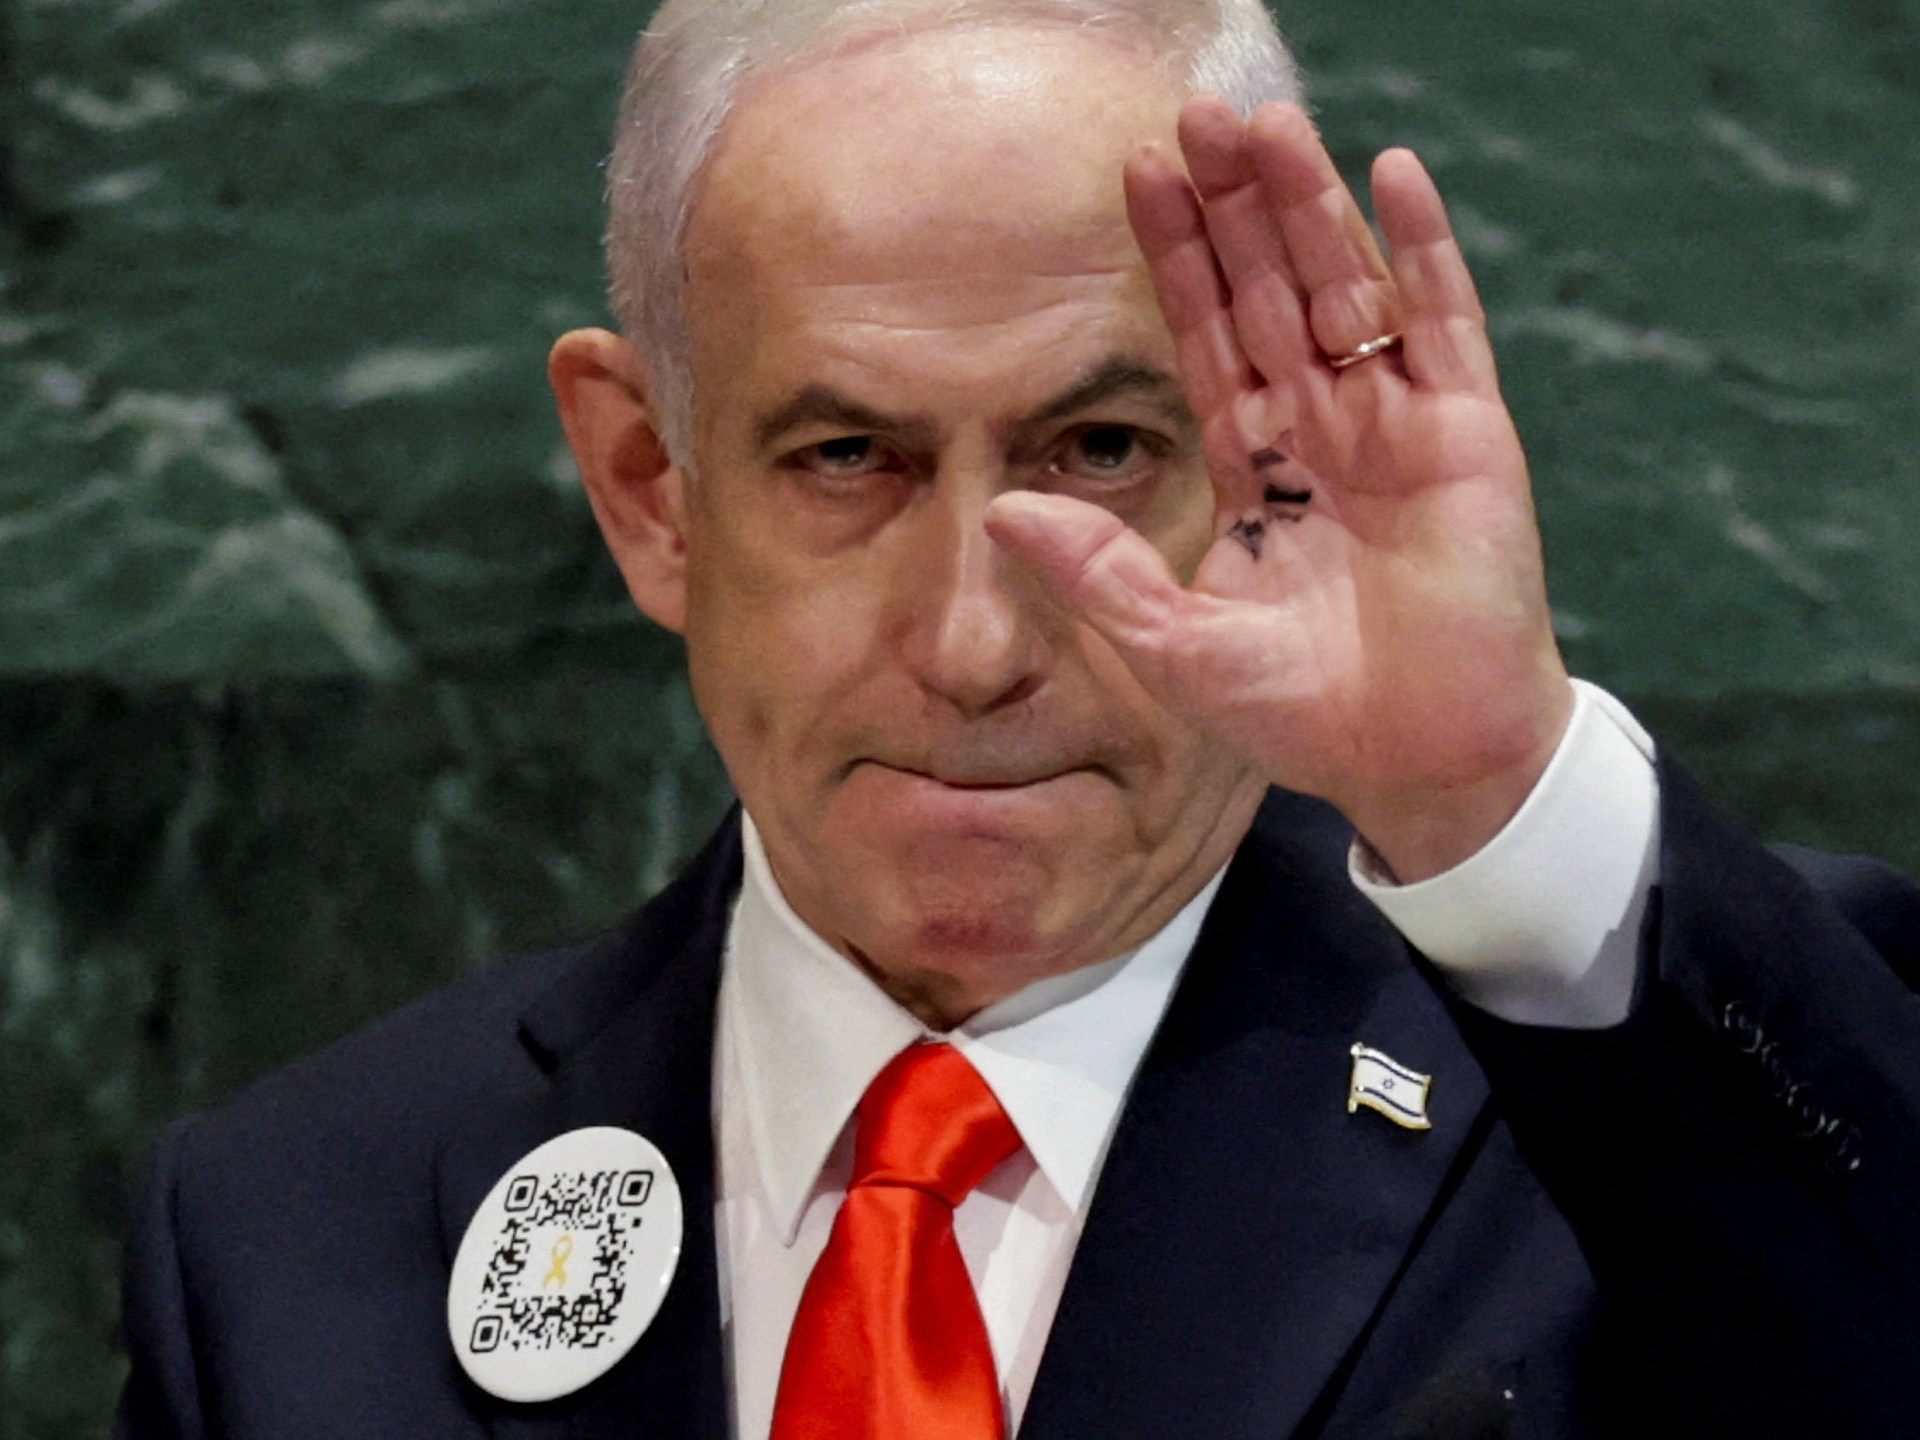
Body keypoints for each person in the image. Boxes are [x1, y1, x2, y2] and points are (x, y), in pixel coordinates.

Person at [115, 1, 1920, 1436]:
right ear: (651, 488)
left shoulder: (1678, 1092)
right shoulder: (288, 1236)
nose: (977, 646)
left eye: (1102, 450)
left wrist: (1488, 790)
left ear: (1263, 453)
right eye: (847, 458)